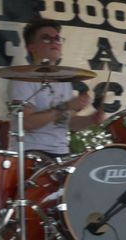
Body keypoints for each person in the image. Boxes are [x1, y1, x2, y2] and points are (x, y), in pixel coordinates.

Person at [7, 18, 101, 159]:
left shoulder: (64, 81)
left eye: (57, 39)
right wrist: (67, 106)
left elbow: (69, 122)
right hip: (30, 153)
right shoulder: (23, 78)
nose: (54, 42)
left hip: (61, 153)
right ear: (31, 47)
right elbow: (27, 122)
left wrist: (92, 119)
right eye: (46, 38)